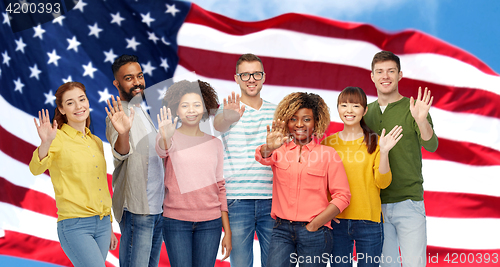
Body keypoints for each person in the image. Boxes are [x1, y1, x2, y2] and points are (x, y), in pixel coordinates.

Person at [256, 92, 351, 267]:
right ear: (287, 122)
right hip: (281, 231)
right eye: (293, 119)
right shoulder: (279, 150)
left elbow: (343, 196)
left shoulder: (328, 154)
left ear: (316, 123)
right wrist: (269, 147)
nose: (299, 124)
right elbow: (262, 157)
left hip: (315, 232)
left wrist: (315, 224)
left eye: (306, 119)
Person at [29, 82, 118, 267]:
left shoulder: (96, 142)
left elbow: (101, 184)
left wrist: (108, 224)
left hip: (102, 225)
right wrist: (45, 143)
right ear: (61, 109)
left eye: (82, 99)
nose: (79, 106)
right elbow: (35, 169)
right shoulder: (57, 138)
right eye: (70, 103)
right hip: (75, 225)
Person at [364, 51, 438, 267]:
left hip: (409, 201)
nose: (385, 76)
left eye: (390, 71)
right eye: (380, 72)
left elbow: (431, 145)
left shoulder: (414, 108)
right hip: (376, 205)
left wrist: (422, 120)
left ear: (400, 75)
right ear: (372, 76)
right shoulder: (365, 112)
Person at [322, 87, 403, 266]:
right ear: (338, 108)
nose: (349, 110)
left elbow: (382, 183)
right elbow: (321, 184)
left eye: (355, 106)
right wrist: (326, 213)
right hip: (337, 222)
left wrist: (384, 152)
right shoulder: (327, 144)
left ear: (364, 110)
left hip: (369, 221)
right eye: (344, 105)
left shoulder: (375, 142)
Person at [155, 80, 231, 267]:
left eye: (197, 105)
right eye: (185, 105)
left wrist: (227, 231)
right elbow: (161, 150)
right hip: (176, 221)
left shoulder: (215, 143)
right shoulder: (168, 136)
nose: (191, 110)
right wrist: (165, 137)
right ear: (177, 109)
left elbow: (220, 186)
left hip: (210, 223)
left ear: (205, 108)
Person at [213, 53, 276, 267]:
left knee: (275, 263)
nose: (251, 79)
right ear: (237, 78)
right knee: (240, 264)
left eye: (256, 74)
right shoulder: (228, 110)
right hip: (237, 200)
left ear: (264, 77)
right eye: (245, 74)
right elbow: (219, 125)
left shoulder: (277, 112)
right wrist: (227, 117)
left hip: (273, 200)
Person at [105, 54, 164, 267]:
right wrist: (123, 133)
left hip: (157, 210)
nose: (137, 82)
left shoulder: (141, 112)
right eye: (129, 78)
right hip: (137, 210)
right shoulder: (118, 114)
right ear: (117, 83)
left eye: (139, 76)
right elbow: (120, 153)